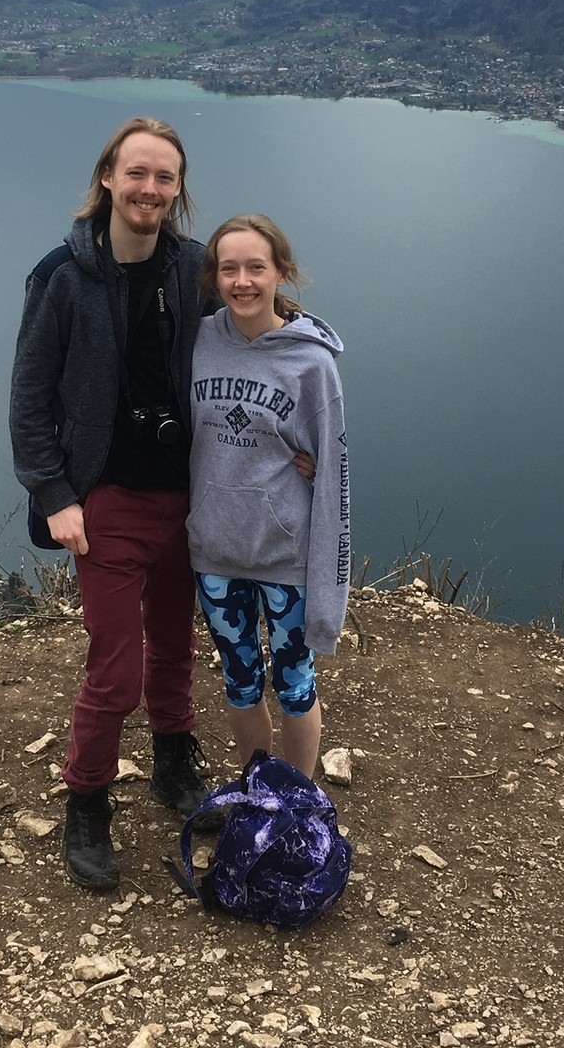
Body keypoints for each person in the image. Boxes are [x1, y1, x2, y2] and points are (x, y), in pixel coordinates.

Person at [9, 117, 214, 891]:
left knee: (176, 643)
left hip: (187, 498)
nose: (149, 189)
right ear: (107, 178)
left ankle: (172, 762)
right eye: (137, 173)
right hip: (107, 502)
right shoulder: (62, 276)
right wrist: (55, 494)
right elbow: (29, 397)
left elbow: (253, 341)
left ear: (178, 190)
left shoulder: (194, 270)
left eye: (165, 177)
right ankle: (87, 798)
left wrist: (299, 412)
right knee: (116, 667)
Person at [186, 214, 349, 780]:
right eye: (228, 269)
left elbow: (334, 472)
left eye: (256, 267)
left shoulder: (312, 363)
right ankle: (259, 794)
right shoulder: (199, 342)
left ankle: (297, 803)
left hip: (286, 557)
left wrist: (332, 585)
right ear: (214, 277)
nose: (242, 281)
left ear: (281, 272)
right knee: (240, 682)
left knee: (294, 684)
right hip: (216, 551)